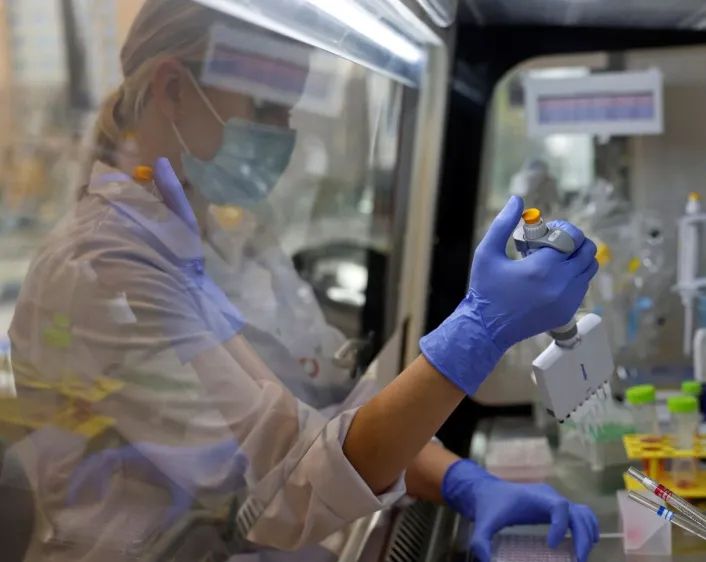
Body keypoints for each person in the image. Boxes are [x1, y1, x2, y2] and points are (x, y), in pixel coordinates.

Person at [5, 2, 600, 561]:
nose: (282, 137)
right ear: (173, 90)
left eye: (288, 112)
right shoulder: (103, 274)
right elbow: (281, 490)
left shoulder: (235, 236)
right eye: (266, 109)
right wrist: (478, 332)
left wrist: (460, 480)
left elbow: (327, 414)